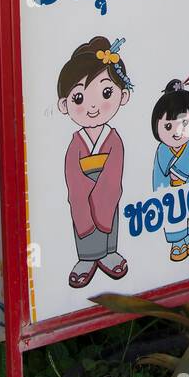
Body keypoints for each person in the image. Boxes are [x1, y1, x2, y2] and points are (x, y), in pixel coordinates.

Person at [57, 35, 132, 288]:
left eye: (106, 92)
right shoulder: (76, 143)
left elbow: (114, 172)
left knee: (109, 216)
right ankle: (87, 258)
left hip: (106, 189)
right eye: (79, 98)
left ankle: (109, 253)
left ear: (122, 96)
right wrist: (83, 196)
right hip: (83, 189)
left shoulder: (113, 139)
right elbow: (72, 176)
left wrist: (102, 193)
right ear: (64, 104)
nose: (92, 107)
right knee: (83, 216)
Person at [151, 78, 189, 264]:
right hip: (170, 193)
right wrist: (161, 192)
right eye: (167, 126)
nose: (176, 132)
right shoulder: (162, 150)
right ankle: (177, 243)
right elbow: (158, 174)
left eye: (184, 124)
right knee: (174, 218)